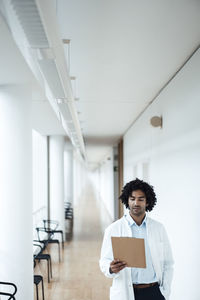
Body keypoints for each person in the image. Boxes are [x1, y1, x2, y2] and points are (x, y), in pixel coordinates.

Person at [99, 178, 174, 300]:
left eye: (141, 199)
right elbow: (104, 261)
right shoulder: (113, 229)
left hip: (154, 292)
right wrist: (110, 268)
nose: (136, 203)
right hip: (126, 292)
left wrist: (164, 291)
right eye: (132, 199)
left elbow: (168, 263)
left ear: (147, 202)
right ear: (127, 201)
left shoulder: (158, 228)